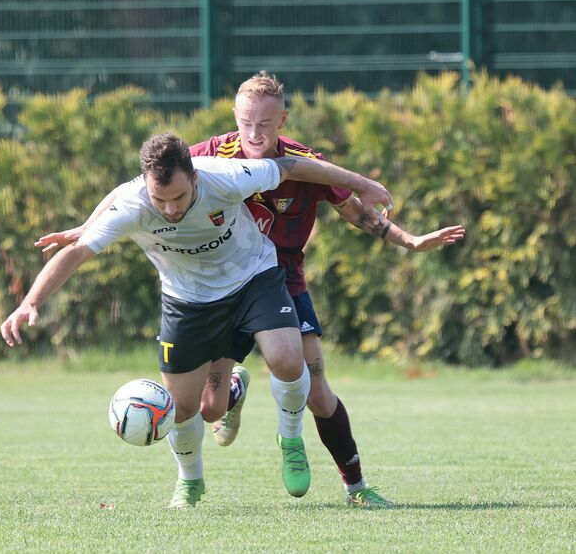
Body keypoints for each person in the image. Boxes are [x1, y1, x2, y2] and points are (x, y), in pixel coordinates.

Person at [35, 73, 466, 508]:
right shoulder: (208, 158)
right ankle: (233, 394)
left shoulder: (304, 162)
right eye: (246, 123)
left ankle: (350, 482)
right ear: (235, 117)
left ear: (282, 119)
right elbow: (134, 189)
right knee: (208, 409)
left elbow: (357, 211)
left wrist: (407, 240)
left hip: (278, 278)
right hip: (212, 289)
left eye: (265, 124)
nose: (254, 133)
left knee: (312, 387)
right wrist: (86, 230)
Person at [3, 132, 395, 508]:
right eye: (162, 199)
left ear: (194, 176)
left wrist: (362, 185)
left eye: (179, 196)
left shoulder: (224, 176)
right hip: (188, 302)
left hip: (252, 278)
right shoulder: (133, 206)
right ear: (147, 187)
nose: (171, 209)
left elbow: (292, 166)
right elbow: (75, 254)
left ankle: (290, 442)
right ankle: (190, 481)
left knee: (288, 358)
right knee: (189, 408)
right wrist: (30, 302)